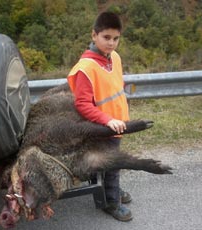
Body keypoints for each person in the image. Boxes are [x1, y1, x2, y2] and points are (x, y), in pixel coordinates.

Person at [67, 11, 133, 222]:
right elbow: (82, 104)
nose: (112, 43)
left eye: (116, 38)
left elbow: (116, 87)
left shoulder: (114, 58)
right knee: (112, 163)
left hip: (116, 124)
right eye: (106, 37)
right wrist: (107, 120)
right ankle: (111, 202)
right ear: (94, 35)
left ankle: (104, 191)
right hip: (101, 127)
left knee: (105, 163)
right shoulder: (85, 68)